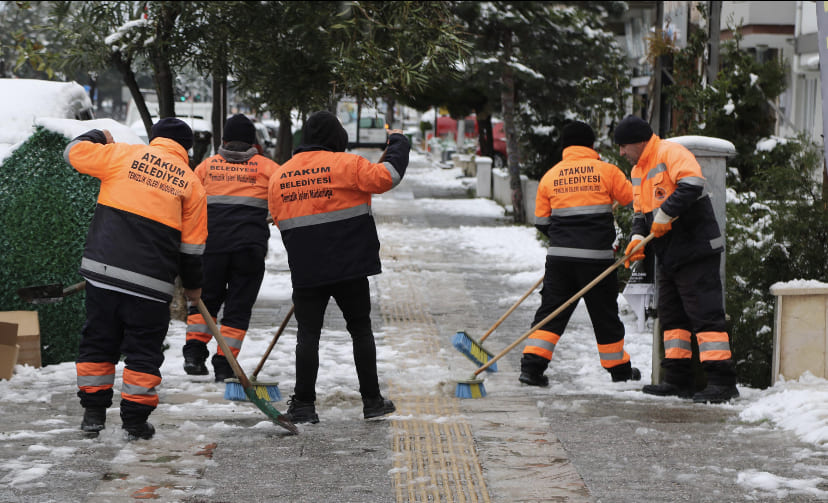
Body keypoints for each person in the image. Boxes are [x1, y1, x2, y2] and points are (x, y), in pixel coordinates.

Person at [64, 118, 207, 440]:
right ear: (186, 148)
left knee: (99, 340)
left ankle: (93, 414)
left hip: (103, 275)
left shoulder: (122, 155)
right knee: (144, 350)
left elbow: (73, 152)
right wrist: (194, 287)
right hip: (152, 284)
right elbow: (192, 248)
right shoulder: (191, 183)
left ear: (154, 138)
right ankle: (134, 421)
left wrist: (98, 135)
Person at [267, 110, 409, 424]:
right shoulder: (348, 165)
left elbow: (279, 220)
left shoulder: (280, 176)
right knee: (360, 330)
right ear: (337, 138)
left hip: (307, 270)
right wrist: (398, 141)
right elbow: (388, 177)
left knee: (308, 335)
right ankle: (372, 401)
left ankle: (304, 404)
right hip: (350, 267)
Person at [613, 114, 739, 404]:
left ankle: (722, 381)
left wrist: (666, 214)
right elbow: (639, 212)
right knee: (672, 317)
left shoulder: (671, 152)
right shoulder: (637, 171)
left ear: (639, 142)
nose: (621, 152)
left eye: (623, 146)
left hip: (695, 247)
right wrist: (636, 239)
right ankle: (677, 378)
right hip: (668, 253)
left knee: (705, 315)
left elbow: (692, 183)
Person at [519, 121, 641, 387]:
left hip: (560, 260)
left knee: (551, 312)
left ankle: (531, 368)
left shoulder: (550, 176)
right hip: (597, 260)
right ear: (592, 145)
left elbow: (541, 221)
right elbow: (635, 200)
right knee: (605, 315)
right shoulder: (607, 171)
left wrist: (566, 240)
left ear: (565, 146)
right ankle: (620, 372)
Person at [183, 114, 279, 382]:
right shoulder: (269, 168)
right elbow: (283, 203)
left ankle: (194, 353)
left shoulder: (205, 168)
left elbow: (188, 204)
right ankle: (224, 363)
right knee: (238, 306)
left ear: (223, 140)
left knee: (207, 299)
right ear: (254, 143)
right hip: (249, 250)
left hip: (211, 247)